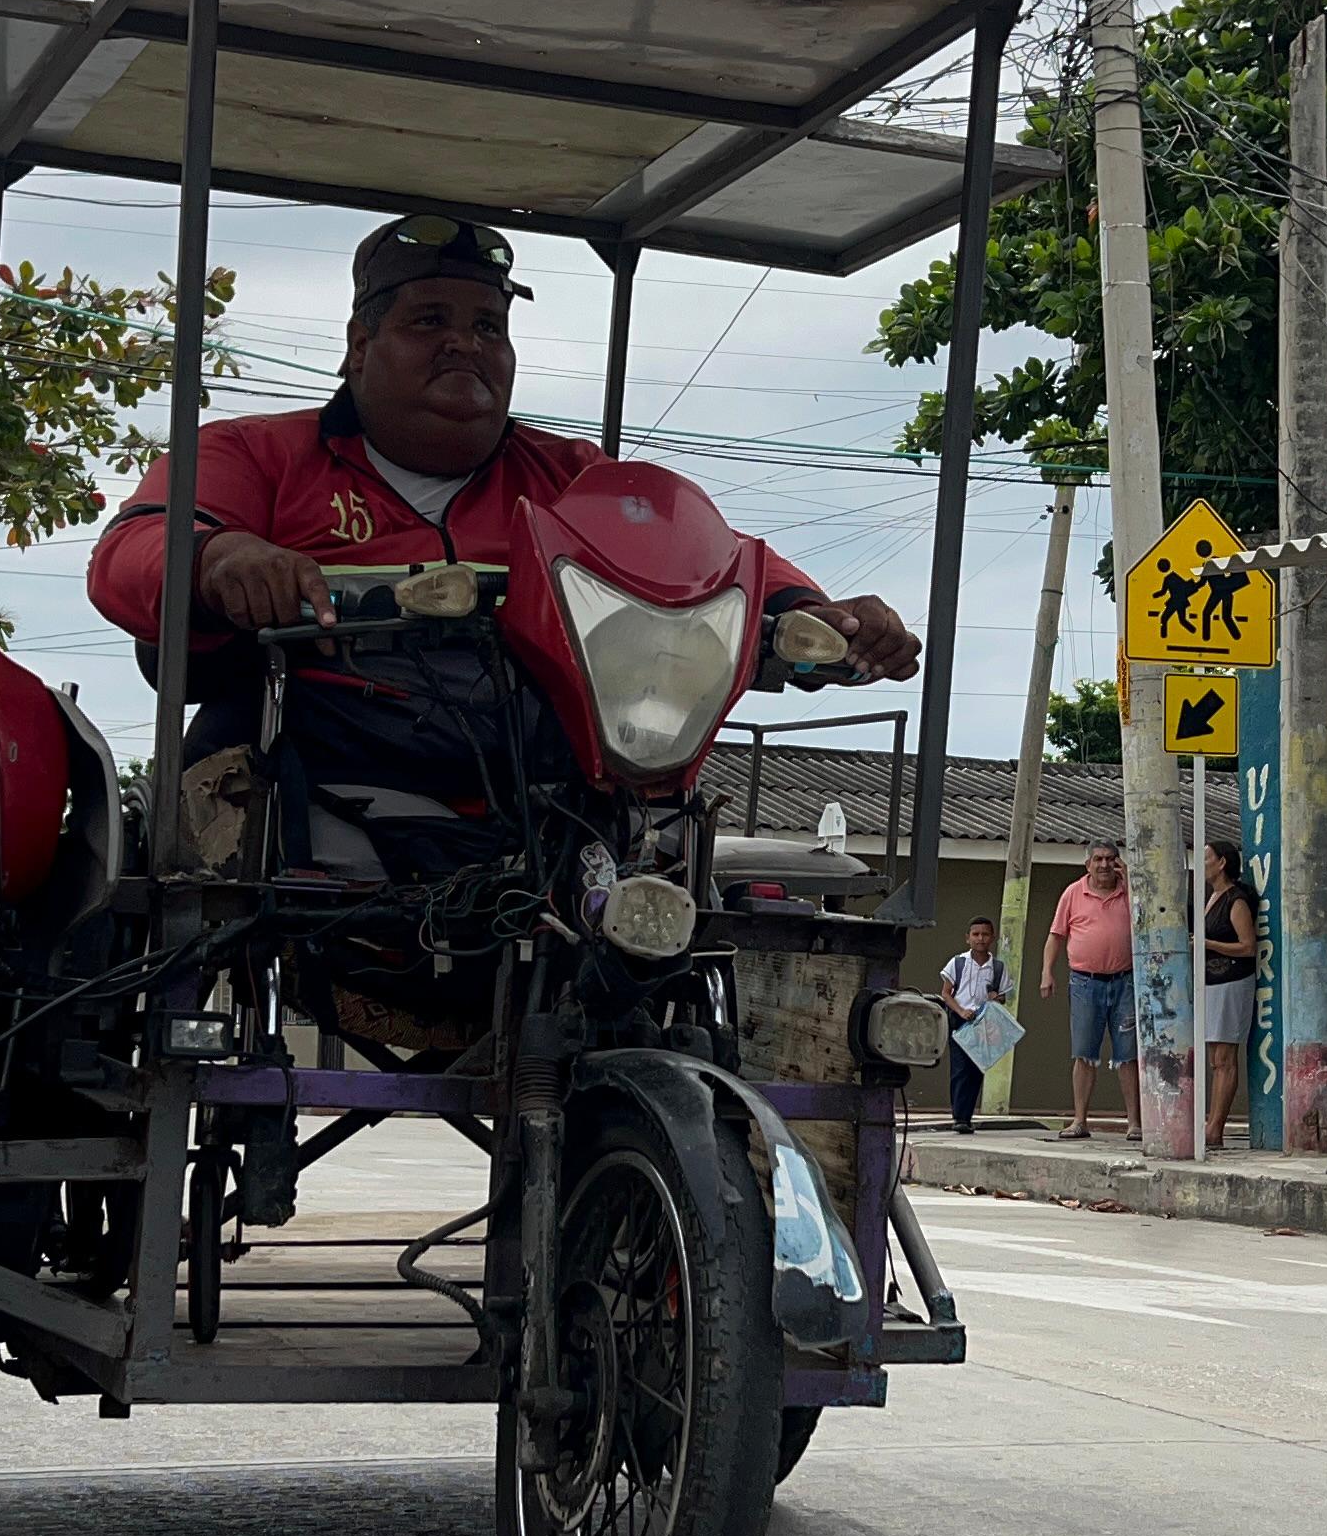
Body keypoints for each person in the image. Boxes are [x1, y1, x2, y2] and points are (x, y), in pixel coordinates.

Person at [87, 214, 924, 878]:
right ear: (358, 347)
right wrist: (221, 558)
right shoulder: (253, 453)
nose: (466, 343)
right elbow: (130, 552)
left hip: (554, 798)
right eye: (429, 320)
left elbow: (705, 556)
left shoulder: (571, 478)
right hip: (315, 777)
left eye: (489, 325)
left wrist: (812, 612)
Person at [1038, 842, 1137, 1141]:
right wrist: (1047, 972)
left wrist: (1131, 882)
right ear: (1088, 864)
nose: (1104, 865)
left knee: (1129, 1055)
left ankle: (1135, 1123)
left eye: (1110, 859)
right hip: (1085, 982)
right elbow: (1056, 936)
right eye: (1098, 859)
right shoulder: (1073, 893)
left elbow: (1146, 919)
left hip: (1126, 982)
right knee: (1084, 1054)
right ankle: (1080, 1120)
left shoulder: (1128, 892)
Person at [1199, 839, 1264, 1152]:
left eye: (1208, 857)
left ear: (1222, 862)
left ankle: (1216, 1127)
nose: (1203, 863)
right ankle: (1211, 1123)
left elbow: (1247, 946)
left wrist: (1208, 945)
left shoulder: (1235, 900)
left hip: (1232, 979)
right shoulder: (1212, 897)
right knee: (1215, 1058)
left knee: (1225, 1057)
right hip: (1211, 981)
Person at [937, 915, 1009, 1134]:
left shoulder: (997, 967)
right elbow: (946, 993)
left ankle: (967, 1116)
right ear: (967, 938)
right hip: (961, 1020)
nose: (980, 939)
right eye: (976, 934)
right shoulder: (958, 963)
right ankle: (959, 1116)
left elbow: (1003, 996)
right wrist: (960, 1011)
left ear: (992, 938)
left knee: (976, 1069)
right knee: (960, 1069)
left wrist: (996, 998)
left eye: (985, 934)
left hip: (984, 1022)